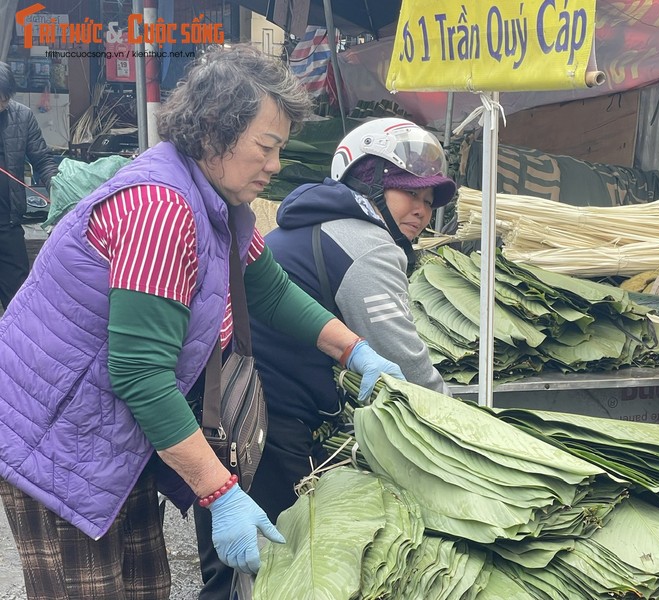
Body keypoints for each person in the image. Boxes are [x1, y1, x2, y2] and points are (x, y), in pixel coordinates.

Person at [0, 44, 404, 600]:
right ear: (214, 130)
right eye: (267, 147)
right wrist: (222, 494)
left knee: (145, 586)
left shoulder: (220, 202)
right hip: (58, 440)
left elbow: (271, 292)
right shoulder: (161, 209)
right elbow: (141, 374)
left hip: (117, 434)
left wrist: (357, 353)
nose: (276, 166)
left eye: (281, 149)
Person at [194, 117, 456, 598]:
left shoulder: (308, 222)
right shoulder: (369, 245)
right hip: (270, 425)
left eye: (428, 201)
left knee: (232, 572)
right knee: (276, 568)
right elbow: (405, 359)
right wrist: (461, 427)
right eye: (408, 193)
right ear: (367, 182)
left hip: (226, 414)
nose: (421, 211)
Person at [0, 61, 58, 309]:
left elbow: (42, 159)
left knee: (18, 299)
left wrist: (58, 187)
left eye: (3, 100)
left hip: (7, 222)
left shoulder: (22, 116)